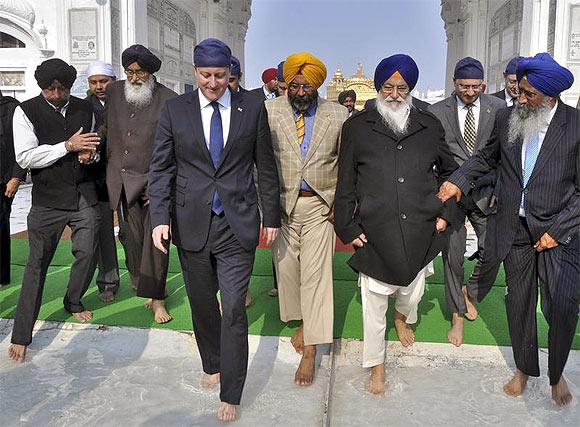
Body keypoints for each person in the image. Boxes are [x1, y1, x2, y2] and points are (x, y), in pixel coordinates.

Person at [148, 38, 280, 421]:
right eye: (205, 75)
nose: (212, 83)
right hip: (190, 223)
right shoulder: (176, 110)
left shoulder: (252, 107)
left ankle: (232, 392)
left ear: (231, 75)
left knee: (235, 307)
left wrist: (270, 216)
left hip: (237, 223)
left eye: (220, 76)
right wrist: (160, 218)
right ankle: (213, 363)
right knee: (203, 303)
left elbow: (265, 166)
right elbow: (162, 168)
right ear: (195, 73)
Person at [438, 53, 579, 406]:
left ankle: (557, 372)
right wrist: (457, 181)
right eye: (518, 90)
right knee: (519, 302)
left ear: (549, 96)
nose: (519, 97)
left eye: (528, 93)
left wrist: (559, 229)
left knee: (561, 305)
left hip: (557, 232)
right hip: (513, 229)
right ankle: (524, 369)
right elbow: (486, 158)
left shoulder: (575, 126)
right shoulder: (507, 118)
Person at [334, 54, 458, 395]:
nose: (394, 94)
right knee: (374, 302)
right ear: (377, 88)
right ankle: (376, 367)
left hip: (422, 226)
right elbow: (345, 183)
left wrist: (446, 213)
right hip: (375, 229)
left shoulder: (429, 125)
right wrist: (347, 227)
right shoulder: (357, 127)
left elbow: (449, 172)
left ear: (411, 88)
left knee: (411, 293)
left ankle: (403, 318)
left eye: (402, 87)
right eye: (388, 87)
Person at [8, 58, 101, 362]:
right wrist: (68, 147)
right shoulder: (25, 111)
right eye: (51, 89)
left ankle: (73, 301)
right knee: (36, 265)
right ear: (41, 87)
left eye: (63, 88)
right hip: (47, 201)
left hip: (81, 194)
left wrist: (90, 155)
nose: (58, 94)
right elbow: (25, 158)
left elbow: (92, 144)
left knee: (88, 253)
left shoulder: (84, 108)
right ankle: (22, 334)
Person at [264, 52, 348, 386]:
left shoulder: (338, 114)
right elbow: (261, 161)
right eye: (295, 85)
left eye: (307, 86)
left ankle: (312, 348)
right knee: (287, 272)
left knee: (316, 276)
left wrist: (340, 202)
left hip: (320, 206)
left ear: (318, 85)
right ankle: (302, 320)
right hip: (282, 207)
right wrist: (266, 206)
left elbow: (347, 161)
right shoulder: (269, 112)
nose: (300, 92)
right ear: (286, 84)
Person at [429, 57, 505, 346]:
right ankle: (457, 316)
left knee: (493, 250)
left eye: (476, 86)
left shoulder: (499, 109)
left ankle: (469, 293)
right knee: (453, 256)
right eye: (464, 86)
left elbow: (501, 156)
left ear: (483, 84)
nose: (470, 92)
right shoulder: (437, 112)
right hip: (452, 197)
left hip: (485, 192)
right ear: (454, 83)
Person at [104, 45, 177, 323]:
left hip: (154, 184)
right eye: (130, 72)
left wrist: (163, 186)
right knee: (131, 240)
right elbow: (107, 126)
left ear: (151, 74)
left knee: (158, 241)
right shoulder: (114, 91)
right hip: (121, 181)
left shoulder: (169, 99)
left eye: (140, 73)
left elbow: (174, 147)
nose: (134, 78)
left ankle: (157, 299)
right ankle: (142, 280)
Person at [84, 60, 120, 302]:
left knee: (132, 233)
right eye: (94, 82)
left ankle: (143, 278)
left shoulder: (125, 103)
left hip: (126, 175)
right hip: (97, 178)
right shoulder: (84, 107)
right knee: (103, 231)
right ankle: (108, 282)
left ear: (113, 81)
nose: (99, 86)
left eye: (103, 81)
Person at [0, 90, 26, 286]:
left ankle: (1, 276)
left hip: (5, 179)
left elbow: (22, 144)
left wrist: (17, 176)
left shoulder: (11, 107)